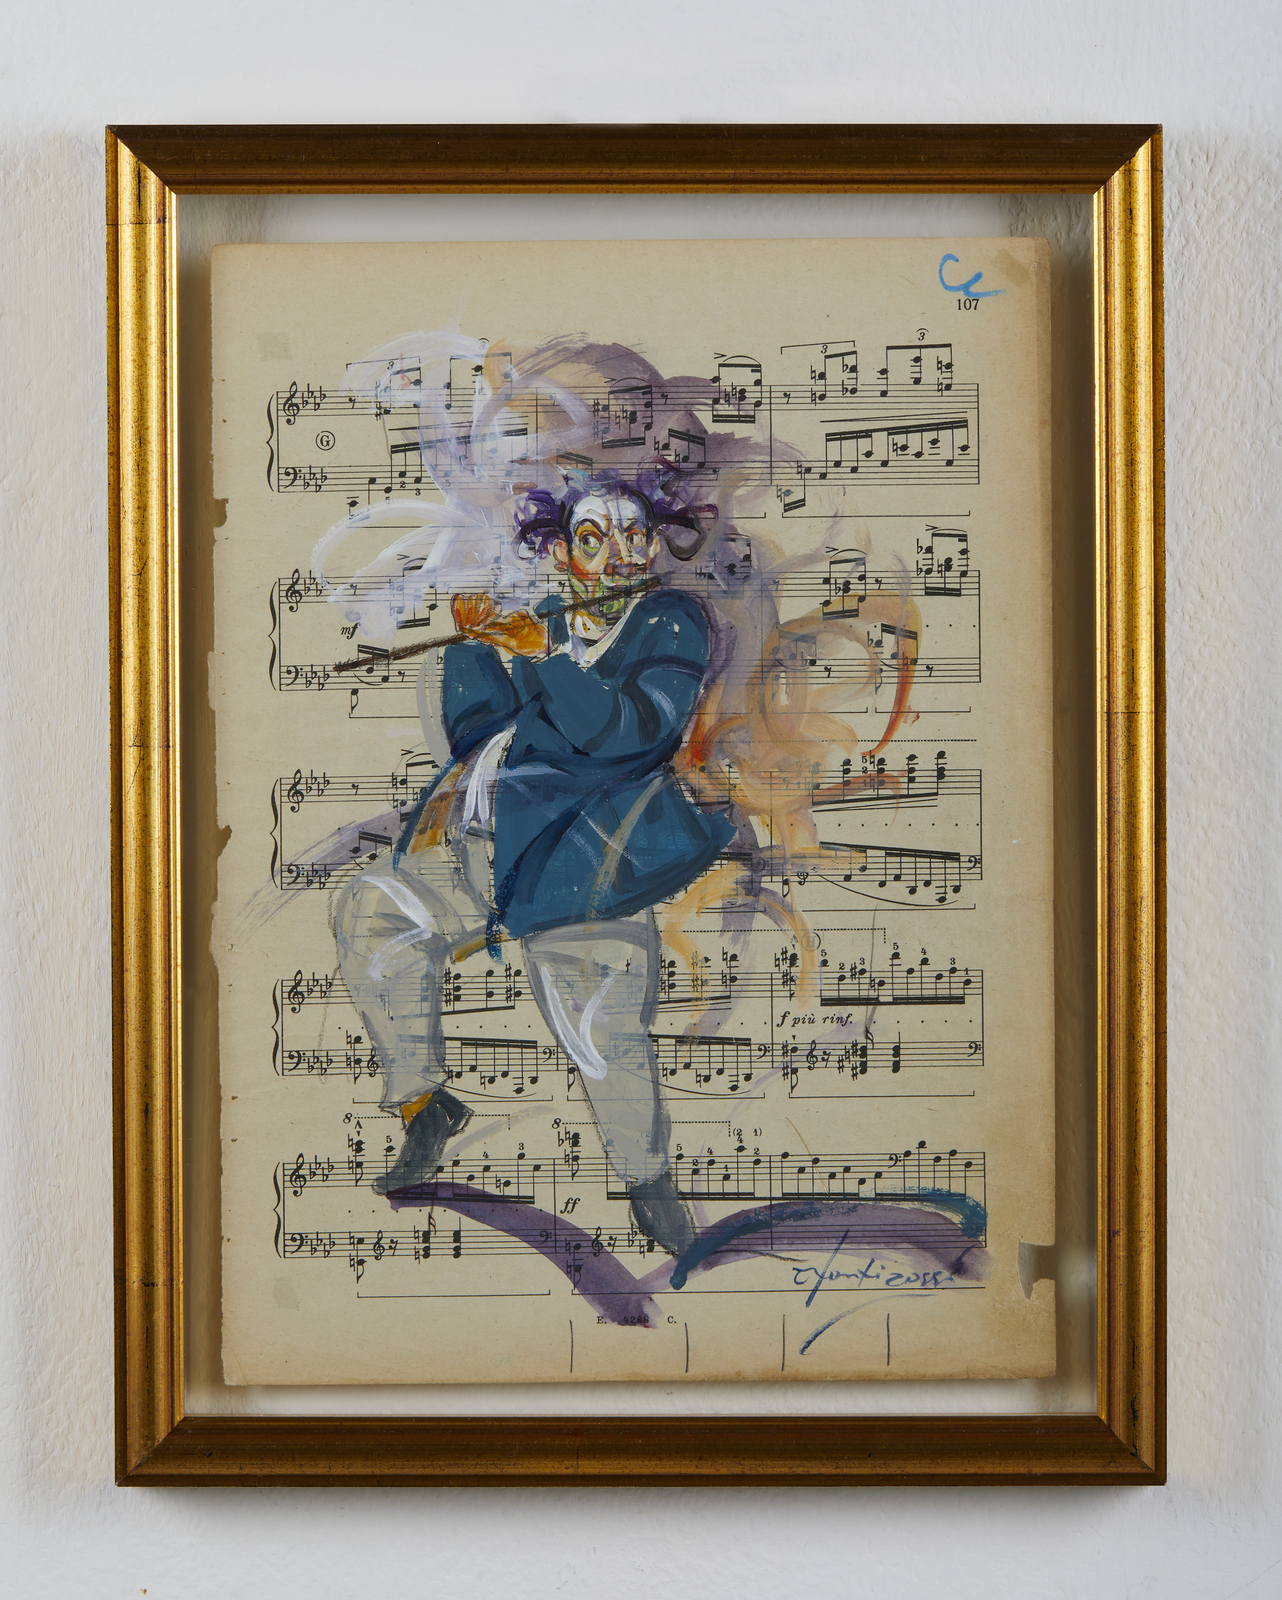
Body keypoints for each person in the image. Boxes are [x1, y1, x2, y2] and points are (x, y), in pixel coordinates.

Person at [331, 476, 734, 1255]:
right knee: (370, 909)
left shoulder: (671, 621)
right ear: (562, 552)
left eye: (633, 536)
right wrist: (477, 648)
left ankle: (650, 1185)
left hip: (586, 860)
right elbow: (477, 730)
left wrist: (546, 662)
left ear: (654, 544)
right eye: (593, 540)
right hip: (482, 848)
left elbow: (627, 735)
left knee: (602, 1027)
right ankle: (423, 1106)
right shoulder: (539, 617)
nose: (617, 556)